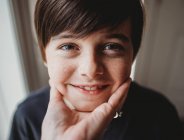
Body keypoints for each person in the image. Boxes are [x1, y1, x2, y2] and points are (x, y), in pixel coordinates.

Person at [9, 0, 184, 140]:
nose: (90, 70)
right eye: (68, 46)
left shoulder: (159, 114)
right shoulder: (27, 117)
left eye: (111, 46)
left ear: (133, 54)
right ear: (44, 55)